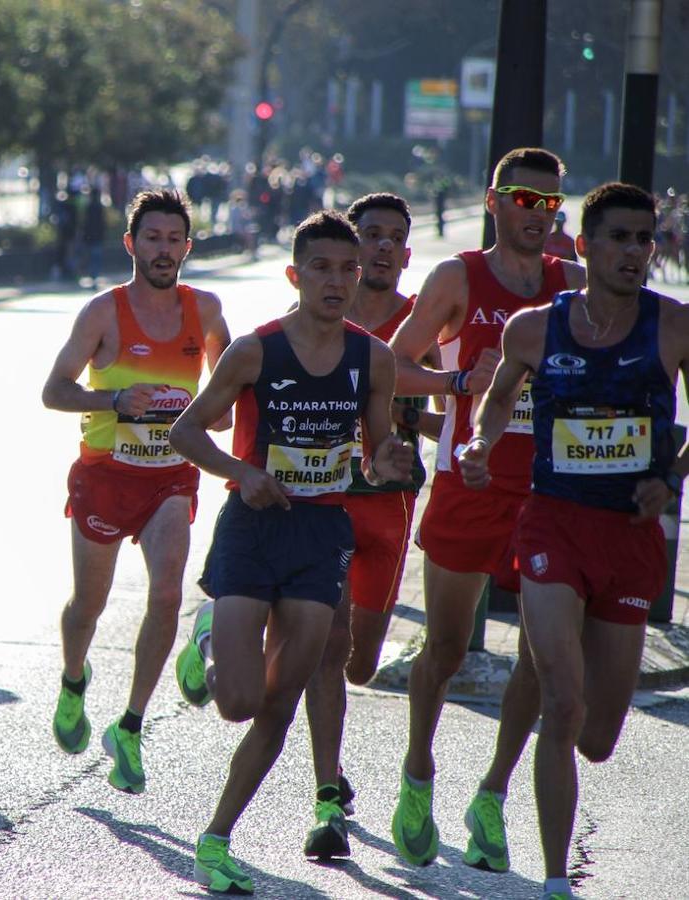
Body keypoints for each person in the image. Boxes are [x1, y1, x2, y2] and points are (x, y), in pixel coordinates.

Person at [457, 182, 687, 900]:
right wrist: (479, 443)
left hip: (629, 536)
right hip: (552, 523)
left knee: (598, 735)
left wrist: (670, 479)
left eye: (644, 239)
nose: (634, 251)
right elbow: (496, 401)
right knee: (561, 702)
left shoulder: (675, 327)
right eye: (618, 238)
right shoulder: (531, 329)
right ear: (582, 246)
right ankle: (556, 881)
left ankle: (505, 794)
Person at [171, 211, 413, 892]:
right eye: (322, 268)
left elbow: (373, 451)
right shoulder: (255, 350)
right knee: (237, 702)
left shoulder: (375, 357)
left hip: (321, 536)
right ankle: (211, 630)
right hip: (253, 529)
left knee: (280, 704)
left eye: (348, 268)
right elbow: (187, 432)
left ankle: (215, 840)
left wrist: (388, 457)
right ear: (295, 275)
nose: (337, 281)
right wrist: (242, 473)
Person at [386, 147, 584, 870]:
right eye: (523, 200)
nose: (537, 215)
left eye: (550, 204)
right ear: (494, 201)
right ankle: (417, 773)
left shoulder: (575, 286)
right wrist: (452, 378)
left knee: (540, 655)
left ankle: (493, 796)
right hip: (470, 484)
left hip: (555, 492)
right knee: (444, 647)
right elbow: (391, 364)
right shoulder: (457, 278)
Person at [42, 188, 231, 794]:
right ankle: (75, 678)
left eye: (175, 239)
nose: (164, 249)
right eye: (153, 238)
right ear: (131, 243)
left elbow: (229, 391)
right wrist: (114, 400)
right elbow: (53, 390)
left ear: (188, 247)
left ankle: (130, 724)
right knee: (87, 608)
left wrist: (214, 414)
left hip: (171, 476)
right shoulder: (103, 312)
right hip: (104, 475)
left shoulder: (204, 311)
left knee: (168, 592)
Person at [300, 193, 444, 859]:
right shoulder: (318, 311)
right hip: (325, 499)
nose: (383, 247)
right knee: (324, 650)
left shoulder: (422, 322)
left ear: (407, 254)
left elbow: (447, 405)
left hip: (389, 503)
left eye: (395, 238)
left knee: (359, 664)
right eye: (372, 235)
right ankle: (328, 794)